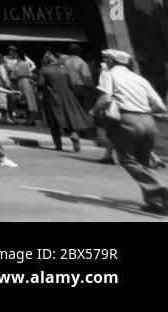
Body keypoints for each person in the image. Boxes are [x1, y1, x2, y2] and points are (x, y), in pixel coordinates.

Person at [92, 49, 168, 213]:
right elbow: (160, 106)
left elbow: (105, 98)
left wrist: (93, 111)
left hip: (126, 120)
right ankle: (155, 203)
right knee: (143, 163)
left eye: (105, 60)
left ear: (111, 62)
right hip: (148, 121)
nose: (104, 64)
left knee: (127, 160)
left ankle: (160, 189)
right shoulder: (140, 79)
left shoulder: (109, 74)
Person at [39, 51, 93, 152]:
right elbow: (70, 85)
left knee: (53, 123)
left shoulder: (44, 70)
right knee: (67, 121)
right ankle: (74, 136)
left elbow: (41, 84)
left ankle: (58, 145)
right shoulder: (63, 70)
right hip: (66, 97)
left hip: (51, 97)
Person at [6, 46, 38, 125]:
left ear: (17, 54)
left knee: (27, 100)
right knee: (24, 100)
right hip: (20, 82)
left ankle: (30, 119)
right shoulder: (19, 63)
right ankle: (28, 119)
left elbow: (17, 75)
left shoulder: (23, 64)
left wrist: (11, 72)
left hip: (23, 82)